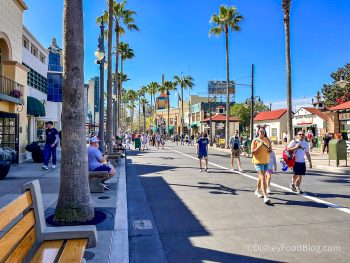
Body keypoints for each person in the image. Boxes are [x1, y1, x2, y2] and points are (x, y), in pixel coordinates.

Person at [251, 127, 271, 204]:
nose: (262, 132)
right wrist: (259, 146)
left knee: (260, 177)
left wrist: (270, 150)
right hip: (258, 161)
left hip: (266, 161)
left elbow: (270, 149)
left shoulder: (267, 139)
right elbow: (252, 152)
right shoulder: (255, 140)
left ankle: (257, 190)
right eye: (261, 131)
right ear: (258, 132)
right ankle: (265, 196)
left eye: (263, 131)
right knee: (263, 178)